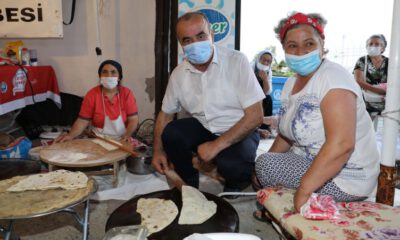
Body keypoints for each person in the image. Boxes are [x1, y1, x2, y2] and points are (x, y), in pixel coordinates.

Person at [253, 12, 380, 216]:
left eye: (309, 44)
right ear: (284, 48)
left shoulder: (333, 77)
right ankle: (274, 208)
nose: (301, 51)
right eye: (292, 45)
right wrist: (263, 172)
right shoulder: (291, 83)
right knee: (264, 163)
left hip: (346, 176)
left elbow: (342, 145)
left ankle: (299, 205)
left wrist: (304, 190)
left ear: (322, 44)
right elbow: (286, 134)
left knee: (266, 165)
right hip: (311, 160)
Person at [151, 12, 265, 194]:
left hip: (239, 128)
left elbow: (256, 116)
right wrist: (157, 151)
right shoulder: (178, 74)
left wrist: (216, 146)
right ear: (181, 44)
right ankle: (189, 184)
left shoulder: (237, 61)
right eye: (187, 40)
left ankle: (235, 182)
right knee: (172, 133)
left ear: (212, 34)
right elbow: (165, 115)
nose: (195, 43)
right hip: (204, 127)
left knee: (232, 165)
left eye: (201, 36)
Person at [55, 60, 139, 143]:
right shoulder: (92, 94)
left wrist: (127, 135)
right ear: (100, 76)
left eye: (113, 72)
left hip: (123, 139)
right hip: (98, 139)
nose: (109, 76)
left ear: (119, 77)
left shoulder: (127, 93)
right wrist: (70, 135)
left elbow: (133, 120)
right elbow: (82, 121)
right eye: (104, 72)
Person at [353, 34, 389, 116]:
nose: (373, 46)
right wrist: (378, 91)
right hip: (366, 102)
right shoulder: (362, 60)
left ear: (382, 48)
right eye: (370, 44)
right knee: (364, 126)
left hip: (386, 102)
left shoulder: (389, 62)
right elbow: (358, 81)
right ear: (366, 47)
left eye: (377, 44)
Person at [252, 49, 274, 139]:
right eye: (263, 59)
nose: (265, 62)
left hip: (259, 95)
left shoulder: (268, 72)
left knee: (268, 98)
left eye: (268, 61)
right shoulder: (251, 67)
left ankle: (264, 128)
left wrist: (265, 79)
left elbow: (267, 91)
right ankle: (253, 127)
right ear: (259, 59)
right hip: (248, 95)